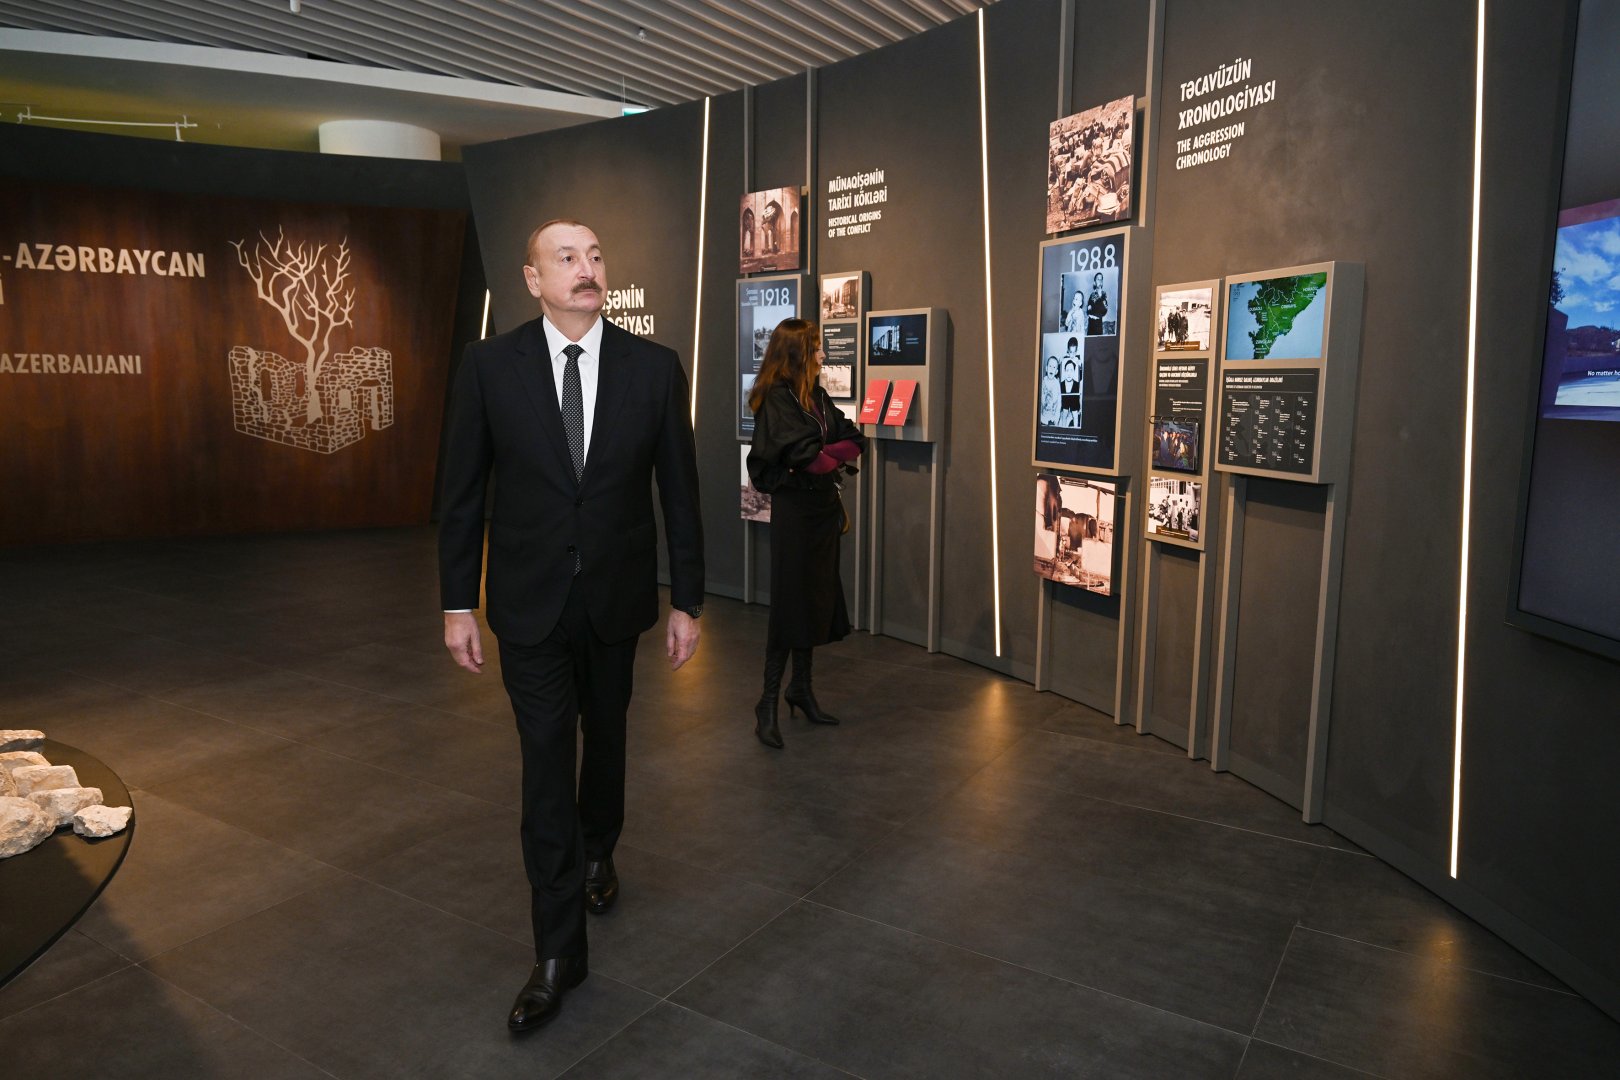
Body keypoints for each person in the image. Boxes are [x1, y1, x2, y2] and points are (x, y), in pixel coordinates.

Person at [437, 219, 704, 1034]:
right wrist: (456, 602)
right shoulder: (490, 367)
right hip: (527, 605)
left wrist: (688, 600)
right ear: (531, 278)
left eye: (595, 256)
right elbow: (461, 490)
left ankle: (601, 848)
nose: (587, 270)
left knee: (608, 739)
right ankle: (558, 951)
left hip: (616, 601)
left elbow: (681, 495)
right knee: (545, 763)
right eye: (567, 258)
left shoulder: (654, 369)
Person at [745, 318, 865, 749]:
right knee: (789, 606)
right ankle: (767, 703)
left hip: (821, 513)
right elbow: (806, 457)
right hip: (796, 515)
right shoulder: (777, 399)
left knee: (814, 600)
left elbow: (853, 440)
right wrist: (822, 455)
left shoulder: (813, 395)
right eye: (815, 347)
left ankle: (802, 690)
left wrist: (823, 454)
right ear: (797, 352)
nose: (822, 354)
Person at [1039, 355, 1061, 426]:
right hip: (1042, 418)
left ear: (1056, 371)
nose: (1051, 369)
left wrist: (1057, 418)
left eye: (1054, 367)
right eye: (1050, 366)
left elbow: (1059, 402)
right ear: (1046, 368)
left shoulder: (1057, 383)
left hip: (1053, 419)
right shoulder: (1043, 381)